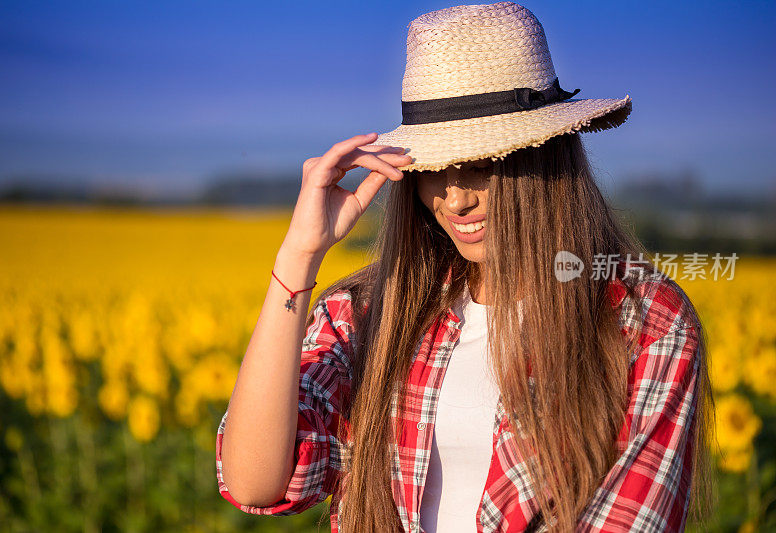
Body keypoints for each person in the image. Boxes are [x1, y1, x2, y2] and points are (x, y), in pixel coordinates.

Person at [216, 2, 715, 532]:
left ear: (543, 157)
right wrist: (299, 255)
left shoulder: (642, 324)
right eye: (433, 171)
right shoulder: (368, 315)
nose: (454, 200)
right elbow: (255, 481)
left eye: (480, 167)